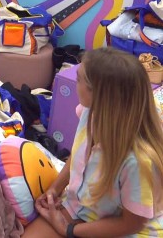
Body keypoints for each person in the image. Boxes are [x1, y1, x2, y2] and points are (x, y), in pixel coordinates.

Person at [23, 47, 163, 237]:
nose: (75, 82)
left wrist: (69, 230)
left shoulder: (138, 162)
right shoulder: (91, 113)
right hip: (83, 209)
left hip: (123, 229)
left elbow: (132, 224)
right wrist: (55, 189)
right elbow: (79, 155)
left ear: (99, 94)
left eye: (79, 79)